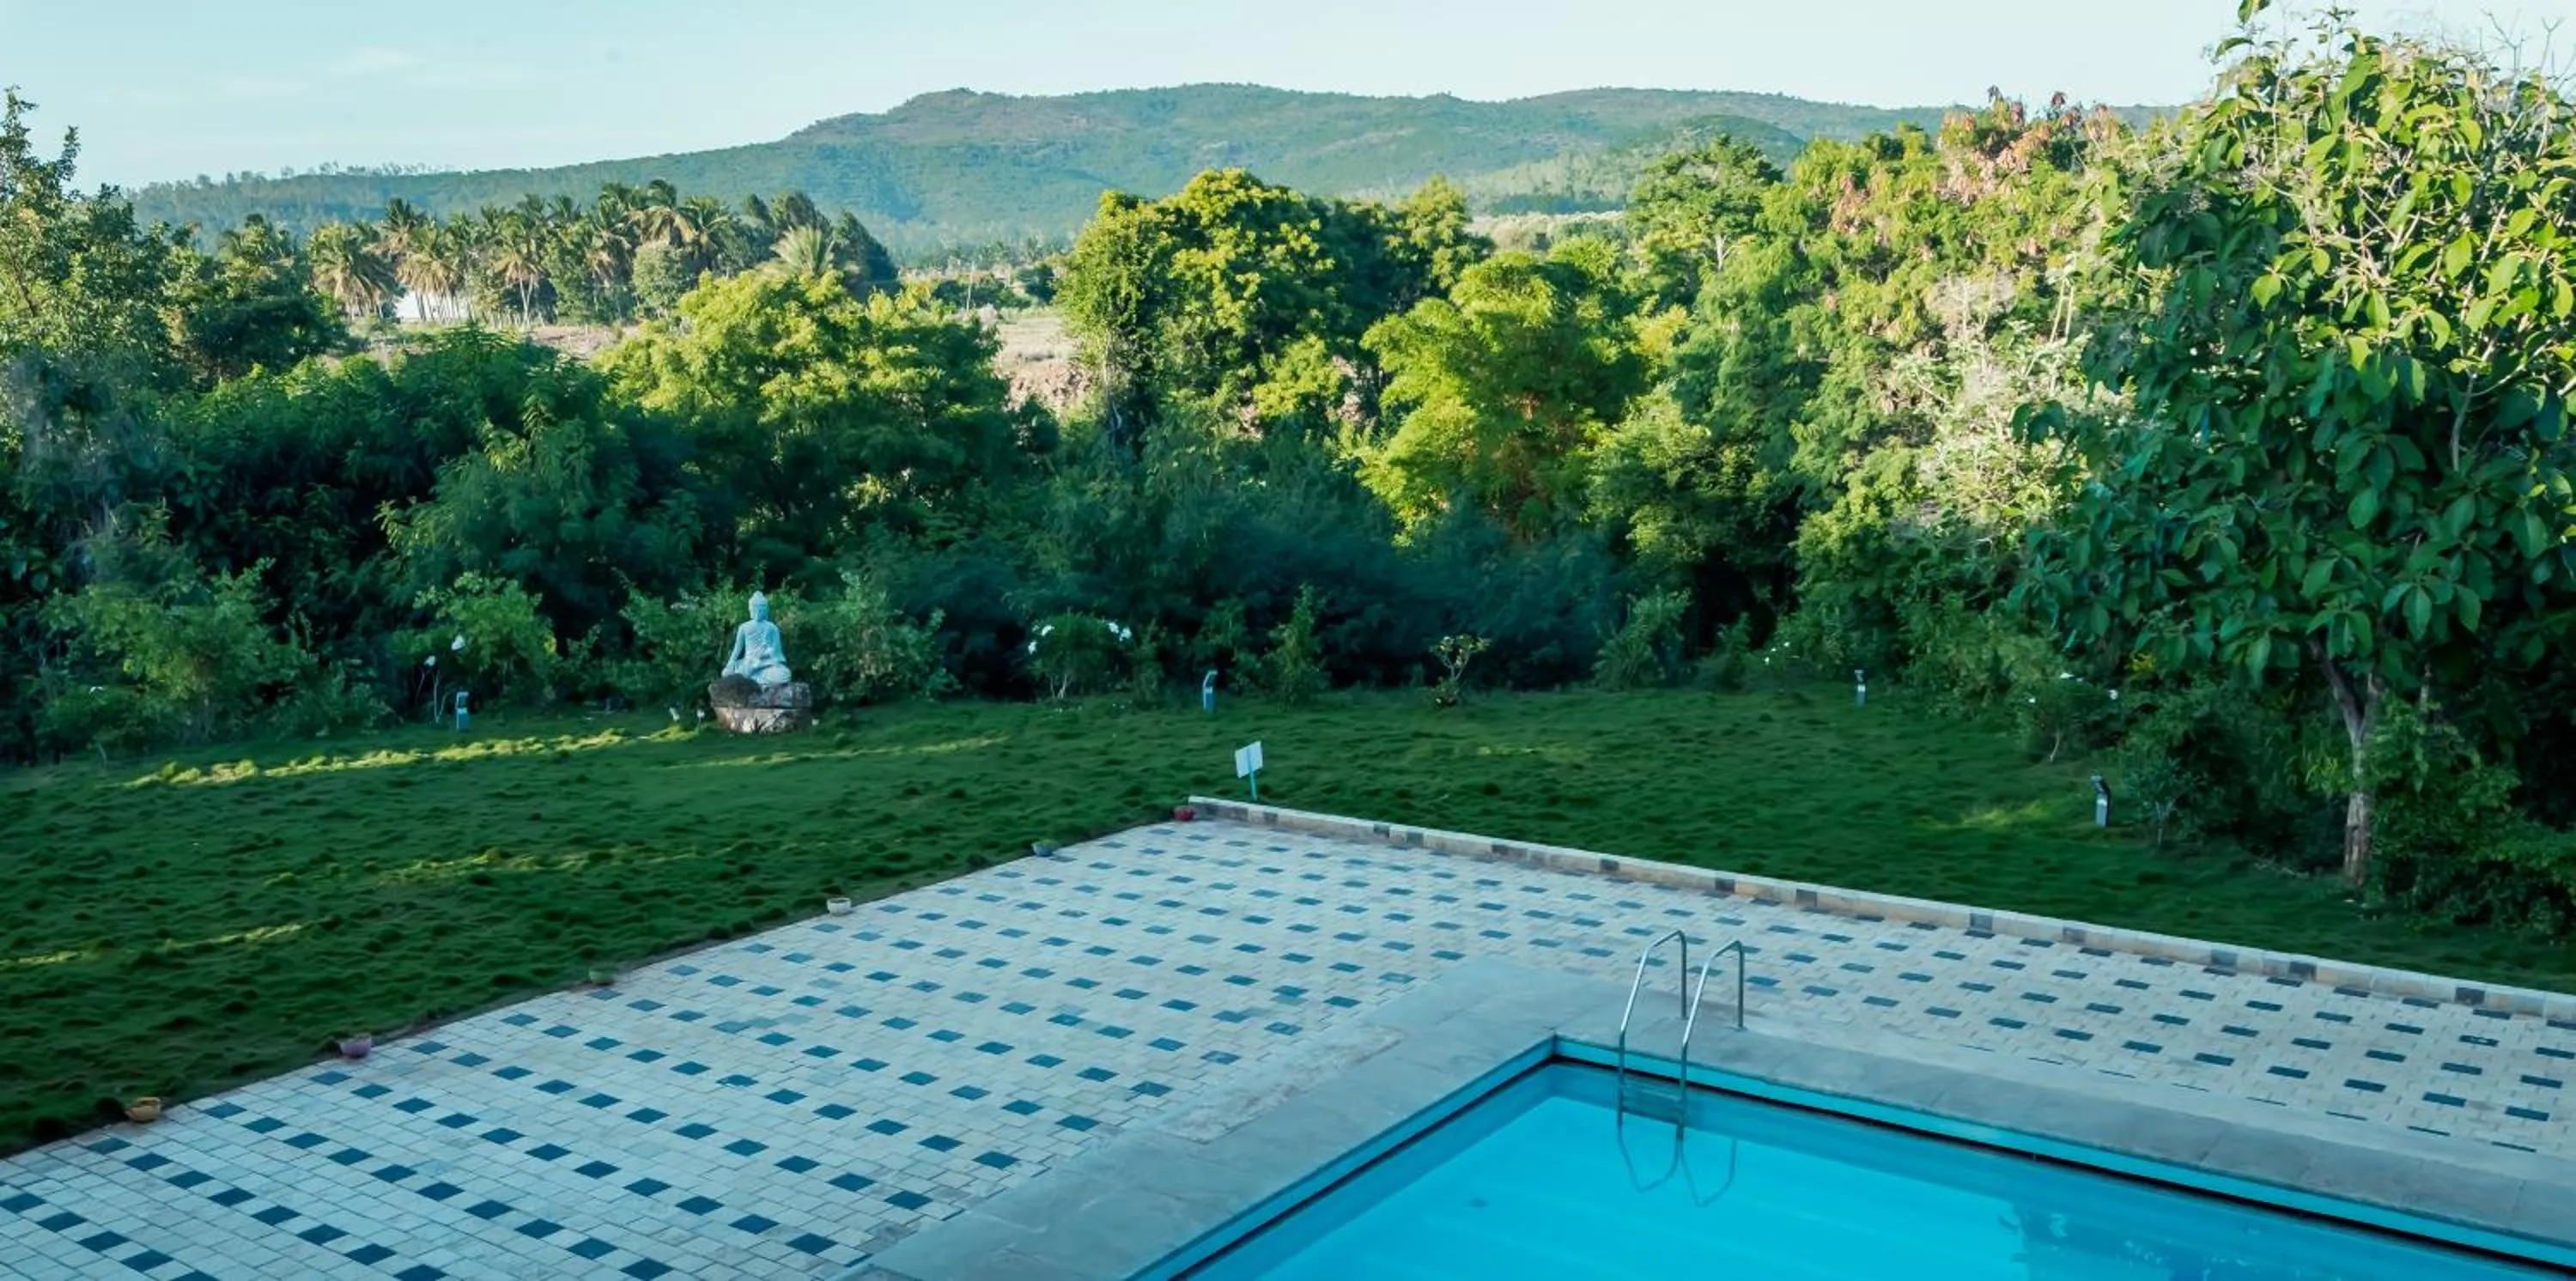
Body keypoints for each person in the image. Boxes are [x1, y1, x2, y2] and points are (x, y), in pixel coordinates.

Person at [721, 592, 793, 686]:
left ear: (765, 610)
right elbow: (737, 650)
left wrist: (766, 653)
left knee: (785, 674)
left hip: (766, 664)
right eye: (754, 609)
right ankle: (754, 678)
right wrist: (730, 664)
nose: (757, 612)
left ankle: (754, 679)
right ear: (750, 609)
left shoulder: (772, 628)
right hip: (748, 662)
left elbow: (776, 653)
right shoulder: (744, 627)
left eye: (760, 609)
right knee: (726, 673)